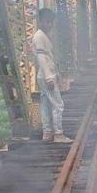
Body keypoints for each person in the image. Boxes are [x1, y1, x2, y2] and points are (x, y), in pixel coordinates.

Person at [32, 8, 72, 143]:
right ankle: (58, 134)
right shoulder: (39, 36)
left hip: (43, 75)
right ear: (40, 21)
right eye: (47, 22)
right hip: (45, 76)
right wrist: (49, 77)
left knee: (45, 103)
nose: (49, 25)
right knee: (58, 104)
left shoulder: (42, 35)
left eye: (51, 22)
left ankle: (47, 132)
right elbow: (42, 58)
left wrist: (56, 74)